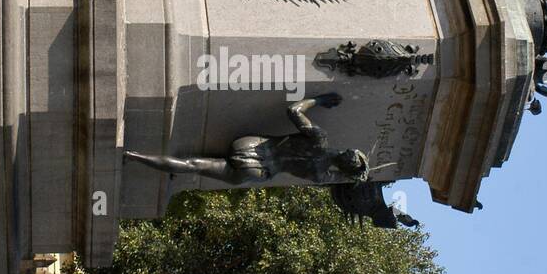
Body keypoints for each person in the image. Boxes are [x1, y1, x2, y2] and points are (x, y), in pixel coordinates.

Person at [124, 93, 370, 186]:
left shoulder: (320, 139)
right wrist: (353, 175)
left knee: (192, 166)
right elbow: (338, 177)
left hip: (251, 146)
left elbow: (293, 111)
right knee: (192, 166)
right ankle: (133, 157)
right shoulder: (319, 175)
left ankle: (134, 155)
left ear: (348, 150)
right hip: (257, 172)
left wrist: (319, 99)